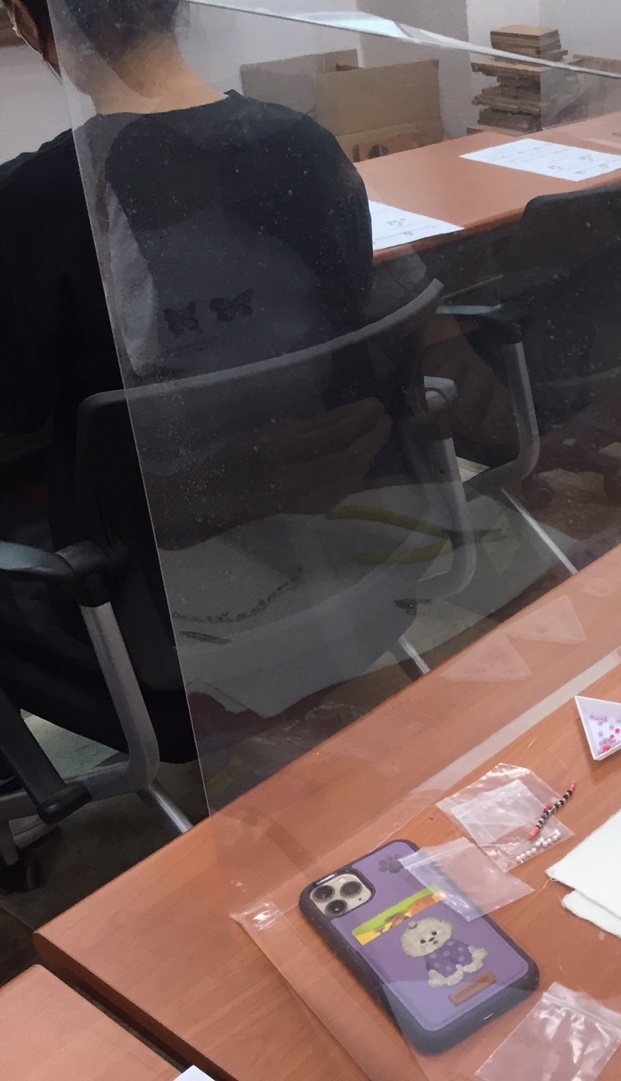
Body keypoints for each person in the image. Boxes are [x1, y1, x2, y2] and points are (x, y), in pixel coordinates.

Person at [0, 0, 389, 766]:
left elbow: (16, 406)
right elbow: (352, 333)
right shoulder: (306, 149)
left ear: (38, 21)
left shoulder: (30, 204)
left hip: (152, 626)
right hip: (348, 571)